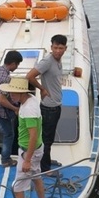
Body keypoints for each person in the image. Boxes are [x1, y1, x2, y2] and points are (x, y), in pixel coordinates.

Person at [0, 77, 47, 198]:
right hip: (34, 151)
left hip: (29, 153)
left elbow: (33, 135)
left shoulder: (29, 110)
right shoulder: (29, 101)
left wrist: (27, 160)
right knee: (36, 177)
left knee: (18, 188)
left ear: (20, 92)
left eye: (12, 92)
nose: (10, 94)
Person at [26, 34, 67, 173]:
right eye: (55, 48)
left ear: (65, 49)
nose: (57, 51)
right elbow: (30, 76)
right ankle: (45, 169)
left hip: (56, 105)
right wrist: (42, 88)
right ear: (51, 47)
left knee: (48, 138)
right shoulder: (47, 61)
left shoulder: (58, 61)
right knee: (46, 140)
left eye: (60, 48)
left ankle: (45, 161)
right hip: (49, 108)